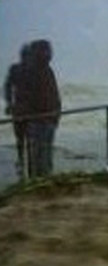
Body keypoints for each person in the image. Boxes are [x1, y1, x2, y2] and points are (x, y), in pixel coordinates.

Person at [25, 39, 61, 178]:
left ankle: (43, 181)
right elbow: (26, 97)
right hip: (37, 121)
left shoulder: (47, 71)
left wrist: (56, 115)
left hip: (47, 120)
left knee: (45, 156)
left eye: (48, 50)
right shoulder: (32, 72)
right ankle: (39, 182)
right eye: (45, 50)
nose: (49, 53)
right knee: (37, 157)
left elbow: (54, 94)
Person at [3, 44, 31, 179]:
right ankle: (22, 161)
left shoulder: (19, 69)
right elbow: (7, 87)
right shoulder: (19, 69)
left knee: (23, 138)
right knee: (22, 138)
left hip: (24, 109)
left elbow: (7, 87)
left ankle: (23, 161)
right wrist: (9, 103)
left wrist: (9, 103)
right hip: (24, 109)